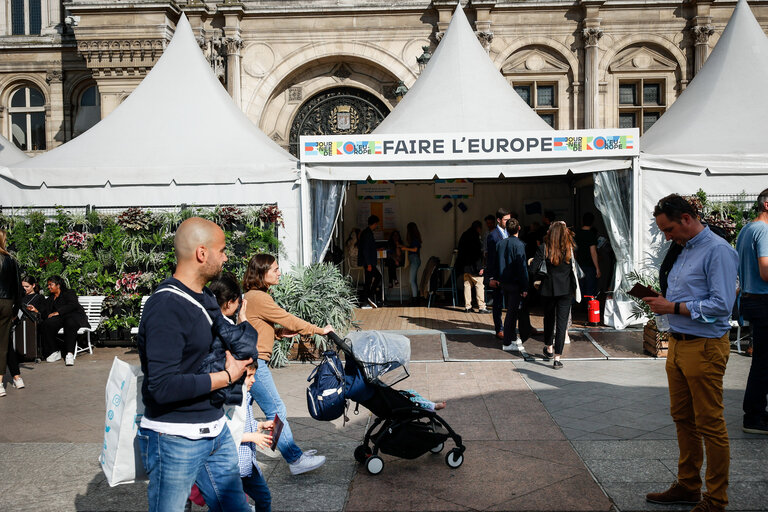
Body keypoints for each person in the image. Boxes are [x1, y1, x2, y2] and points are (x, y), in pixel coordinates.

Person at [137, 217, 253, 512]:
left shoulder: (205, 298)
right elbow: (163, 386)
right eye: (222, 250)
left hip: (215, 429)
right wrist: (227, 376)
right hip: (174, 439)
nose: (226, 257)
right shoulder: (166, 306)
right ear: (202, 253)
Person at [643, 194, 737, 512]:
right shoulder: (685, 249)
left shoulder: (718, 250)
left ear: (685, 218)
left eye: (668, 229)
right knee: (683, 418)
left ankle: (716, 499)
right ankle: (688, 486)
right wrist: (663, 301)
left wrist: (673, 306)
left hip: (705, 347)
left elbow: (722, 306)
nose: (667, 237)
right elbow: (690, 296)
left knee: (710, 423)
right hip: (680, 344)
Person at [242, 253, 331, 475]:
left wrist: (279, 333)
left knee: (248, 411)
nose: (279, 273)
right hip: (255, 363)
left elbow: (257, 326)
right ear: (262, 273)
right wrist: (320, 330)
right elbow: (288, 318)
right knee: (276, 408)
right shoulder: (258, 297)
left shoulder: (255, 296)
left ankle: (290, 451)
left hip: (253, 361)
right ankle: (295, 459)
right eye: (274, 269)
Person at [736, 187, 768, 435]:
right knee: (763, 362)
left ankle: (756, 413)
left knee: (762, 360)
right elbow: (766, 271)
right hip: (763, 300)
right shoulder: (764, 230)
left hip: (751, 299)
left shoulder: (746, 229)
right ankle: (754, 416)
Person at [531, 221, 577, 369]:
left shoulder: (543, 248)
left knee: (549, 319)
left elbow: (533, 270)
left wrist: (532, 263)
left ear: (550, 233)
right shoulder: (569, 249)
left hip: (548, 290)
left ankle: (549, 348)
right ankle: (557, 358)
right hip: (566, 290)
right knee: (562, 324)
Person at [28, 275, 89, 367]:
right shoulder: (50, 299)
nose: (49, 287)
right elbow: (46, 314)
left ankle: (69, 354)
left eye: (51, 285)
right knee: (47, 324)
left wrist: (58, 312)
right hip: (61, 319)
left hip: (74, 316)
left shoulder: (69, 293)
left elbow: (73, 305)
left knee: (70, 323)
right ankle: (55, 351)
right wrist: (36, 310)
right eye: (48, 285)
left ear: (58, 285)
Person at [237, 362, 275, 512]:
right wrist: (253, 437)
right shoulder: (229, 401)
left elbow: (245, 424)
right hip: (232, 467)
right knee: (224, 505)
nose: (253, 380)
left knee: (264, 497)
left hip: (247, 464)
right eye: (249, 376)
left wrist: (261, 425)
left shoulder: (246, 396)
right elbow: (227, 434)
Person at [494, 218, 530, 352]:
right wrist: (525, 286)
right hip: (515, 283)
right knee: (512, 313)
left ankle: (512, 338)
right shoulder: (519, 245)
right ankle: (508, 341)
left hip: (504, 282)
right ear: (519, 228)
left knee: (510, 311)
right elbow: (522, 268)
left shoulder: (500, 244)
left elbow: (496, 263)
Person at [0, 229, 22, 398]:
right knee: (3, 342)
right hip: (7, 302)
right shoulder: (11, 260)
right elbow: (17, 287)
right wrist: (17, 307)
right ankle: (5, 381)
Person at [485, 208, 511, 339]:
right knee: (498, 303)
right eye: (506, 220)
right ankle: (499, 328)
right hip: (498, 275)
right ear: (499, 220)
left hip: (510, 274)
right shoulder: (493, 235)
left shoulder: (510, 232)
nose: (508, 222)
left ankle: (511, 327)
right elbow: (491, 258)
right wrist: (490, 277)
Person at [456, 220, 489, 314]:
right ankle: (482, 307)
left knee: (467, 285)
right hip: (474, 267)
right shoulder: (475, 237)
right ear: (478, 228)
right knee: (479, 285)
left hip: (465, 267)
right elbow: (477, 254)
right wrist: (480, 267)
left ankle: (467, 306)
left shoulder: (464, 235)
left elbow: (460, 251)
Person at [574, 212, 601, 299]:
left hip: (578, 264)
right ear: (592, 222)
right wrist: (597, 268)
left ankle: (578, 306)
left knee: (579, 287)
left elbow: (574, 250)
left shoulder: (576, 233)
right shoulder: (591, 235)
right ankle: (589, 308)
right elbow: (593, 252)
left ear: (582, 221)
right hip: (589, 265)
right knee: (590, 288)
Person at [358, 215, 381, 308]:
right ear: (374, 223)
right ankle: (368, 297)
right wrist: (368, 264)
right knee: (377, 277)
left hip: (368, 262)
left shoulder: (367, 232)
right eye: (376, 224)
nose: (377, 226)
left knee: (368, 281)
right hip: (368, 263)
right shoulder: (368, 233)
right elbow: (366, 250)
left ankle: (367, 298)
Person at [400, 222, 422, 304]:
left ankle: (415, 298)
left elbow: (415, 250)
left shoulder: (415, 240)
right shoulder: (416, 239)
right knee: (414, 280)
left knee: (411, 280)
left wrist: (405, 248)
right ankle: (415, 297)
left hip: (414, 260)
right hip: (415, 260)